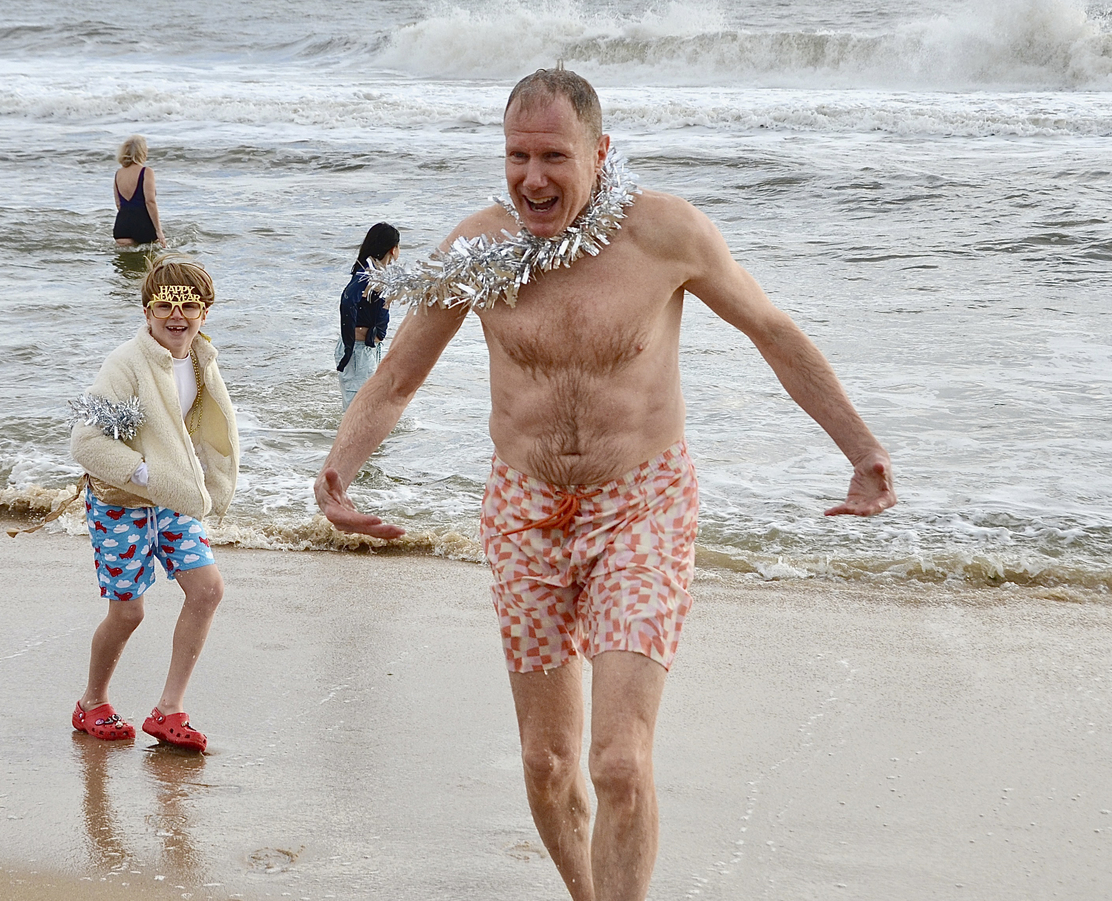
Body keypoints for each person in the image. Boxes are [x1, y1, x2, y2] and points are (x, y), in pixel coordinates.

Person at [313, 69, 895, 901]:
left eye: (554, 155)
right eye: (517, 156)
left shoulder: (666, 235)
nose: (533, 177)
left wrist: (861, 448)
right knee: (547, 765)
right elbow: (399, 374)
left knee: (619, 762)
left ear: (601, 152)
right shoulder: (479, 250)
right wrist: (340, 469)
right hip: (522, 512)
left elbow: (770, 331)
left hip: (642, 503)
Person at [69, 252, 239, 752]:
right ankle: (92, 704)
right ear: (147, 312)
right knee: (128, 614)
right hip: (121, 502)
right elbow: (86, 443)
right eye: (165, 305)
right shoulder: (125, 364)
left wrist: (194, 483)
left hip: (173, 502)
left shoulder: (202, 359)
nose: (176, 315)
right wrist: (146, 474)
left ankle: (169, 711)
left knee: (207, 591)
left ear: (204, 313)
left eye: (189, 305)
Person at [335, 221, 400, 410]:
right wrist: (349, 345)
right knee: (360, 410)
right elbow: (347, 300)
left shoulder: (378, 273)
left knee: (368, 407)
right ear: (393, 249)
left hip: (368, 348)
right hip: (357, 350)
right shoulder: (366, 274)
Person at [112, 134, 166, 247]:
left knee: (125, 263)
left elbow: (118, 204)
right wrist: (159, 231)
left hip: (122, 227)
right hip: (143, 226)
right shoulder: (146, 171)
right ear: (143, 152)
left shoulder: (118, 173)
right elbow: (150, 201)